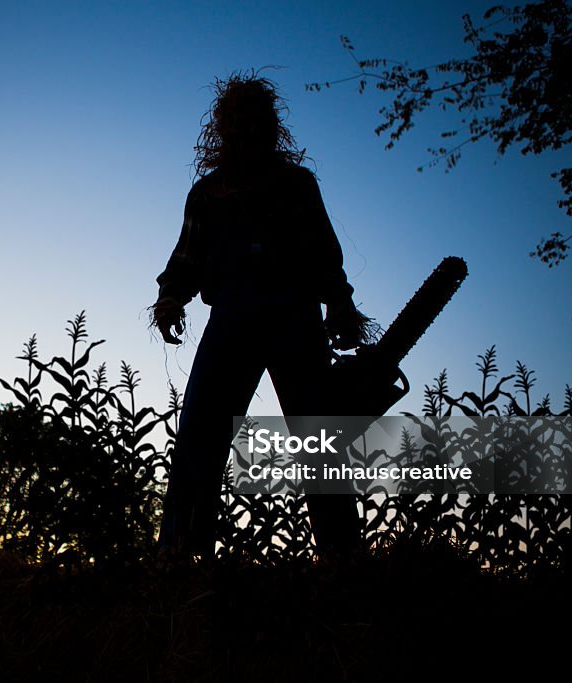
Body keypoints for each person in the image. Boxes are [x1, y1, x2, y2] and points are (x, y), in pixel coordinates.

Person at [152, 72, 367, 558]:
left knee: (320, 447)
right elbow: (187, 256)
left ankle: (347, 567)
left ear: (270, 129)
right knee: (200, 441)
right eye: (237, 125)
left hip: (295, 317)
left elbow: (325, 253)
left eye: (256, 124)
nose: (247, 134)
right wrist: (170, 297)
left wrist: (340, 303)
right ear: (224, 130)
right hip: (232, 316)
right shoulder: (208, 194)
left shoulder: (296, 184)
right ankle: (181, 564)